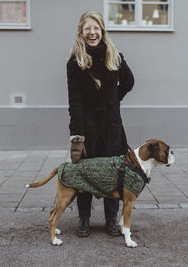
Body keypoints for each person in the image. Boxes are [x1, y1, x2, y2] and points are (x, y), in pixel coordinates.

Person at [66, 11, 134, 237]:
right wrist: (77, 135)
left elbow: (129, 82)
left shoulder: (115, 58)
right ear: (81, 33)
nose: (92, 32)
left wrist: (114, 101)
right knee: (85, 174)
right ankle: (84, 219)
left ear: (102, 31)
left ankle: (111, 220)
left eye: (96, 28)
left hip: (112, 128)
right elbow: (74, 101)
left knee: (113, 174)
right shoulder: (75, 64)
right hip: (88, 129)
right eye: (88, 29)